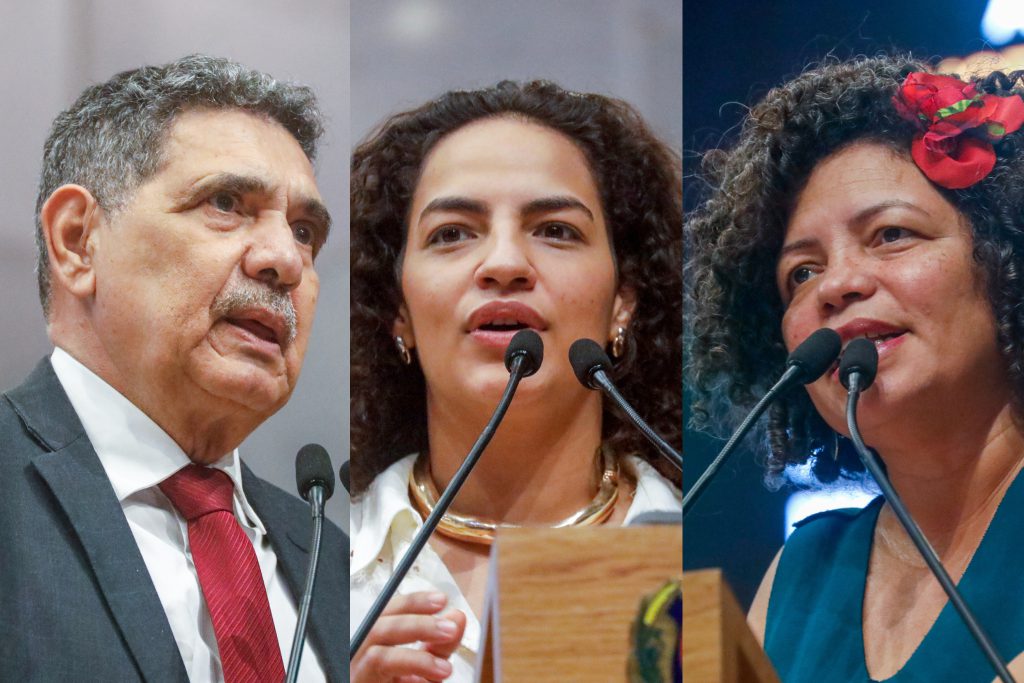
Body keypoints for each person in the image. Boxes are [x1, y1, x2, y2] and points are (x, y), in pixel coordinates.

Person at [0, 55, 347, 681]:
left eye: (303, 231)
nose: (285, 261)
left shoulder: (338, 560)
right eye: (226, 203)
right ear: (78, 241)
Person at [686, 54, 1024, 681]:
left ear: (1007, 263)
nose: (835, 286)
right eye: (802, 273)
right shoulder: (798, 574)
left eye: (892, 234)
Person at [348, 80, 682, 681]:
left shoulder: (699, 553)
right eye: (451, 233)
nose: (504, 263)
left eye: (555, 230)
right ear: (398, 310)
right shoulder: (318, 563)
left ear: (621, 304)